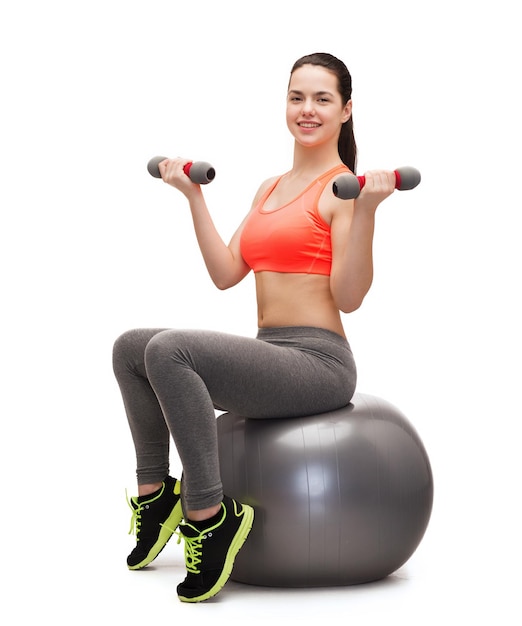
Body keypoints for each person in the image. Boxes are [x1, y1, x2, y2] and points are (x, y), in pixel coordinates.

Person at [112, 52, 397, 603]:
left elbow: (350, 298)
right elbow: (225, 273)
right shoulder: (269, 188)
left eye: (322, 99)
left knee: (171, 350)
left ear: (346, 110)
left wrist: (368, 212)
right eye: (297, 97)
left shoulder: (344, 191)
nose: (306, 110)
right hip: (272, 356)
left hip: (319, 364)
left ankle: (208, 515)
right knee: (132, 348)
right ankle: (155, 495)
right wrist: (193, 196)